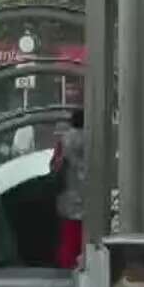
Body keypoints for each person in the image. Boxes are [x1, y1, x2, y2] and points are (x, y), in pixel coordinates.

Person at [52, 111, 87, 271]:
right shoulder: (94, 138)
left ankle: (67, 265)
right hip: (90, 196)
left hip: (68, 195)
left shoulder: (64, 141)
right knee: (85, 235)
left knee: (69, 236)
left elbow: (55, 167)